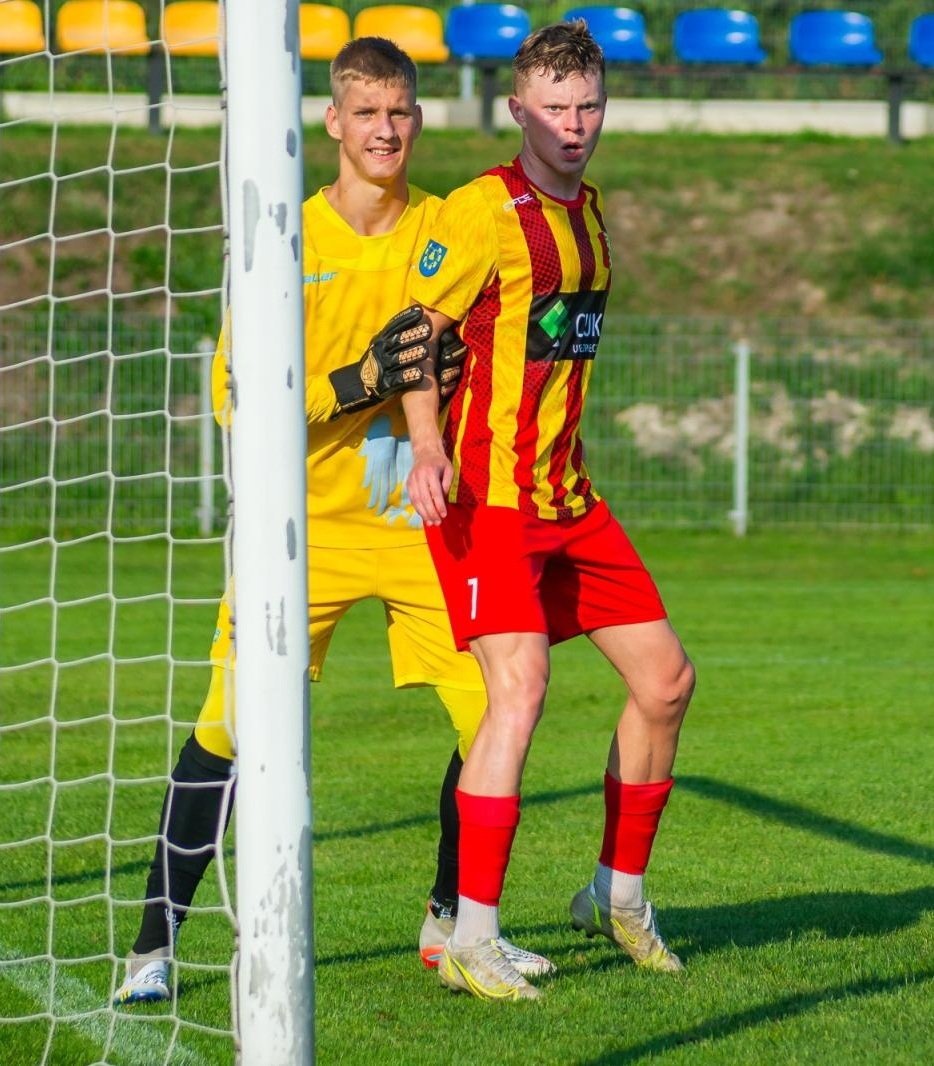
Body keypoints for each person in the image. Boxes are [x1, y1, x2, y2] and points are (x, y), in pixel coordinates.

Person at [111, 37, 551, 1006]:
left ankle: (450, 922)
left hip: (419, 523)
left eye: (399, 113)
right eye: (366, 113)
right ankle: (151, 948)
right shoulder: (284, 234)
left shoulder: (446, 228)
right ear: (332, 123)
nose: (385, 131)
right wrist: (360, 381)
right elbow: (236, 401)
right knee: (227, 729)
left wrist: (454, 376)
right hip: (298, 529)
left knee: (496, 714)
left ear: (418, 120)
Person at [399, 21, 694, 1003]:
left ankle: (617, 894)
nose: (573, 124)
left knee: (665, 681)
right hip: (486, 501)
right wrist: (429, 446)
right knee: (517, 692)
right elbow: (415, 338)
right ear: (517, 108)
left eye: (588, 105)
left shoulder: (592, 215)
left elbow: (550, 353)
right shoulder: (481, 210)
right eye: (555, 106)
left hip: (568, 498)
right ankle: (470, 935)